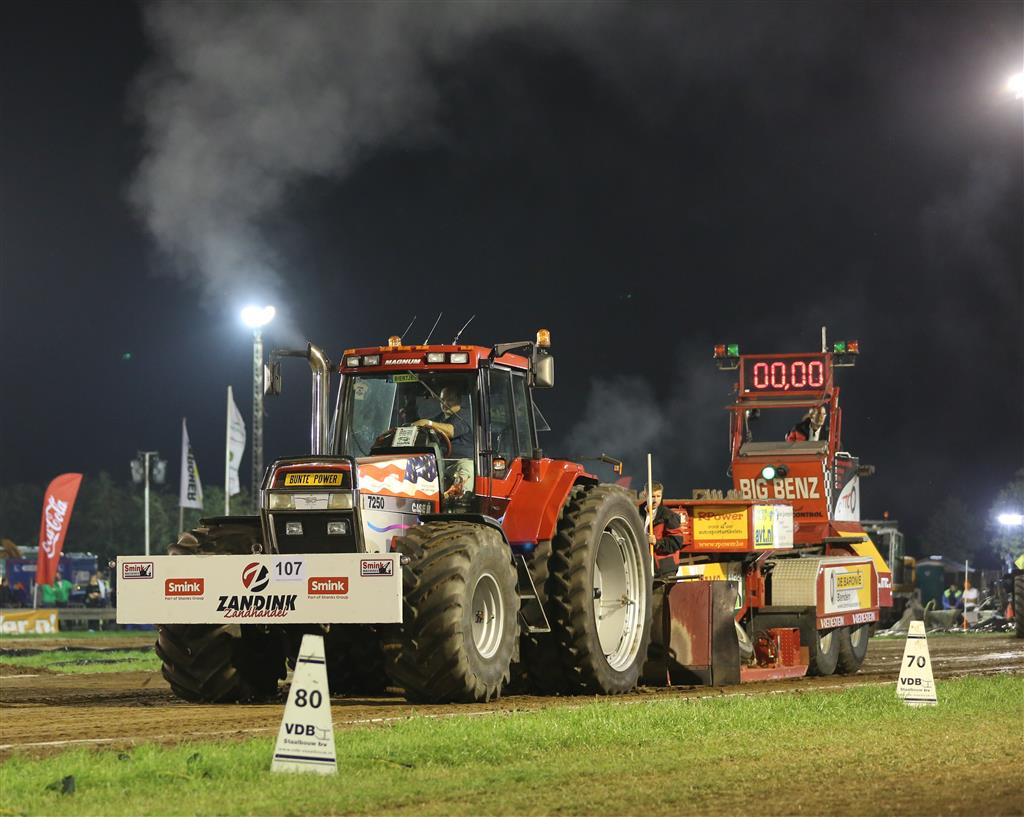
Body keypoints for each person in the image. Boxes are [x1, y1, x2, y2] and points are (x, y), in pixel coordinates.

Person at [415, 385, 474, 505]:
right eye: (442, 399)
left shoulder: (466, 415)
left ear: (458, 400)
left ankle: (460, 499)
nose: (445, 403)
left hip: (458, 461)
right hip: (438, 462)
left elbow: (451, 431)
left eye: (450, 399)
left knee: (467, 467)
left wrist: (428, 423)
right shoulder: (439, 418)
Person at [639, 482, 684, 577]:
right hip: (643, 568)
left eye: (658, 496)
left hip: (665, 569)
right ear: (645, 495)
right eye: (652, 496)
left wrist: (657, 542)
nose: (655, 500)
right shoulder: (637, 513)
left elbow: (677, 542)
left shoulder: (668, 516)